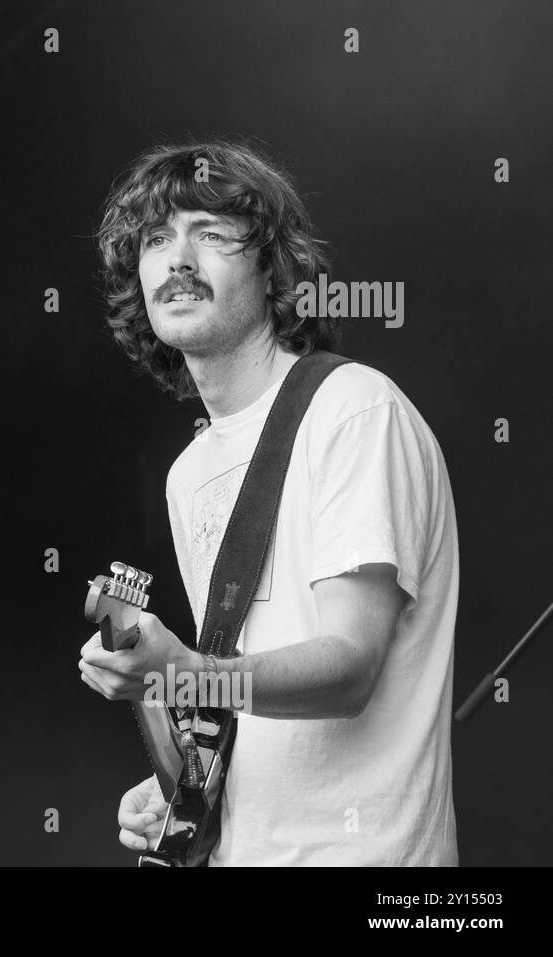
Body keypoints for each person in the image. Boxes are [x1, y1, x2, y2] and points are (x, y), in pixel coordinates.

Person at [78, 140, 458, 865]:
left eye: (212, 234)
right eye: (156, 239)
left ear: (271, 266)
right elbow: (247, 687)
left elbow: (349, 667)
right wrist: (191, 786)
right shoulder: (190, 473)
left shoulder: (353, 410)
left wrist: (182, 671)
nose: (178, 258)